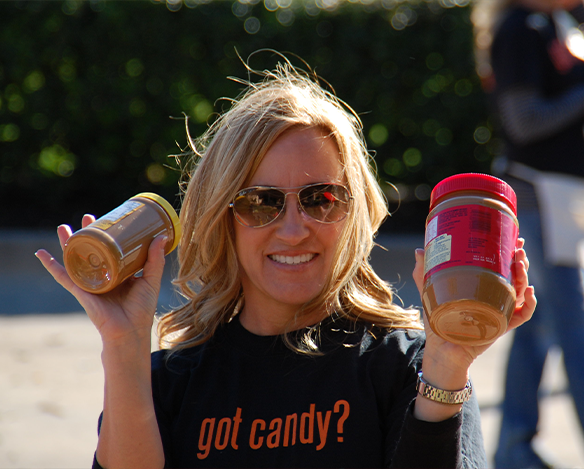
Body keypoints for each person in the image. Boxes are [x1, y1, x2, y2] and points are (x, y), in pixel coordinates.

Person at [35, 60, 535, 468]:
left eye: (321, 198)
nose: (294, 229)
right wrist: (122, 346)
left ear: (354, 211)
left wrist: (447, 368)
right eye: (260, 202)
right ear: (222, 217)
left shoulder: (411, 371)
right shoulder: (168, 384)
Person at [472, 0, 584, 466]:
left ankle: (515, 451)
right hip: (536, 197)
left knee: (534, 325)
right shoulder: (517, 29)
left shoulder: (559, 21)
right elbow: (524, 121)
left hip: (557, 197)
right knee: (572, 325)